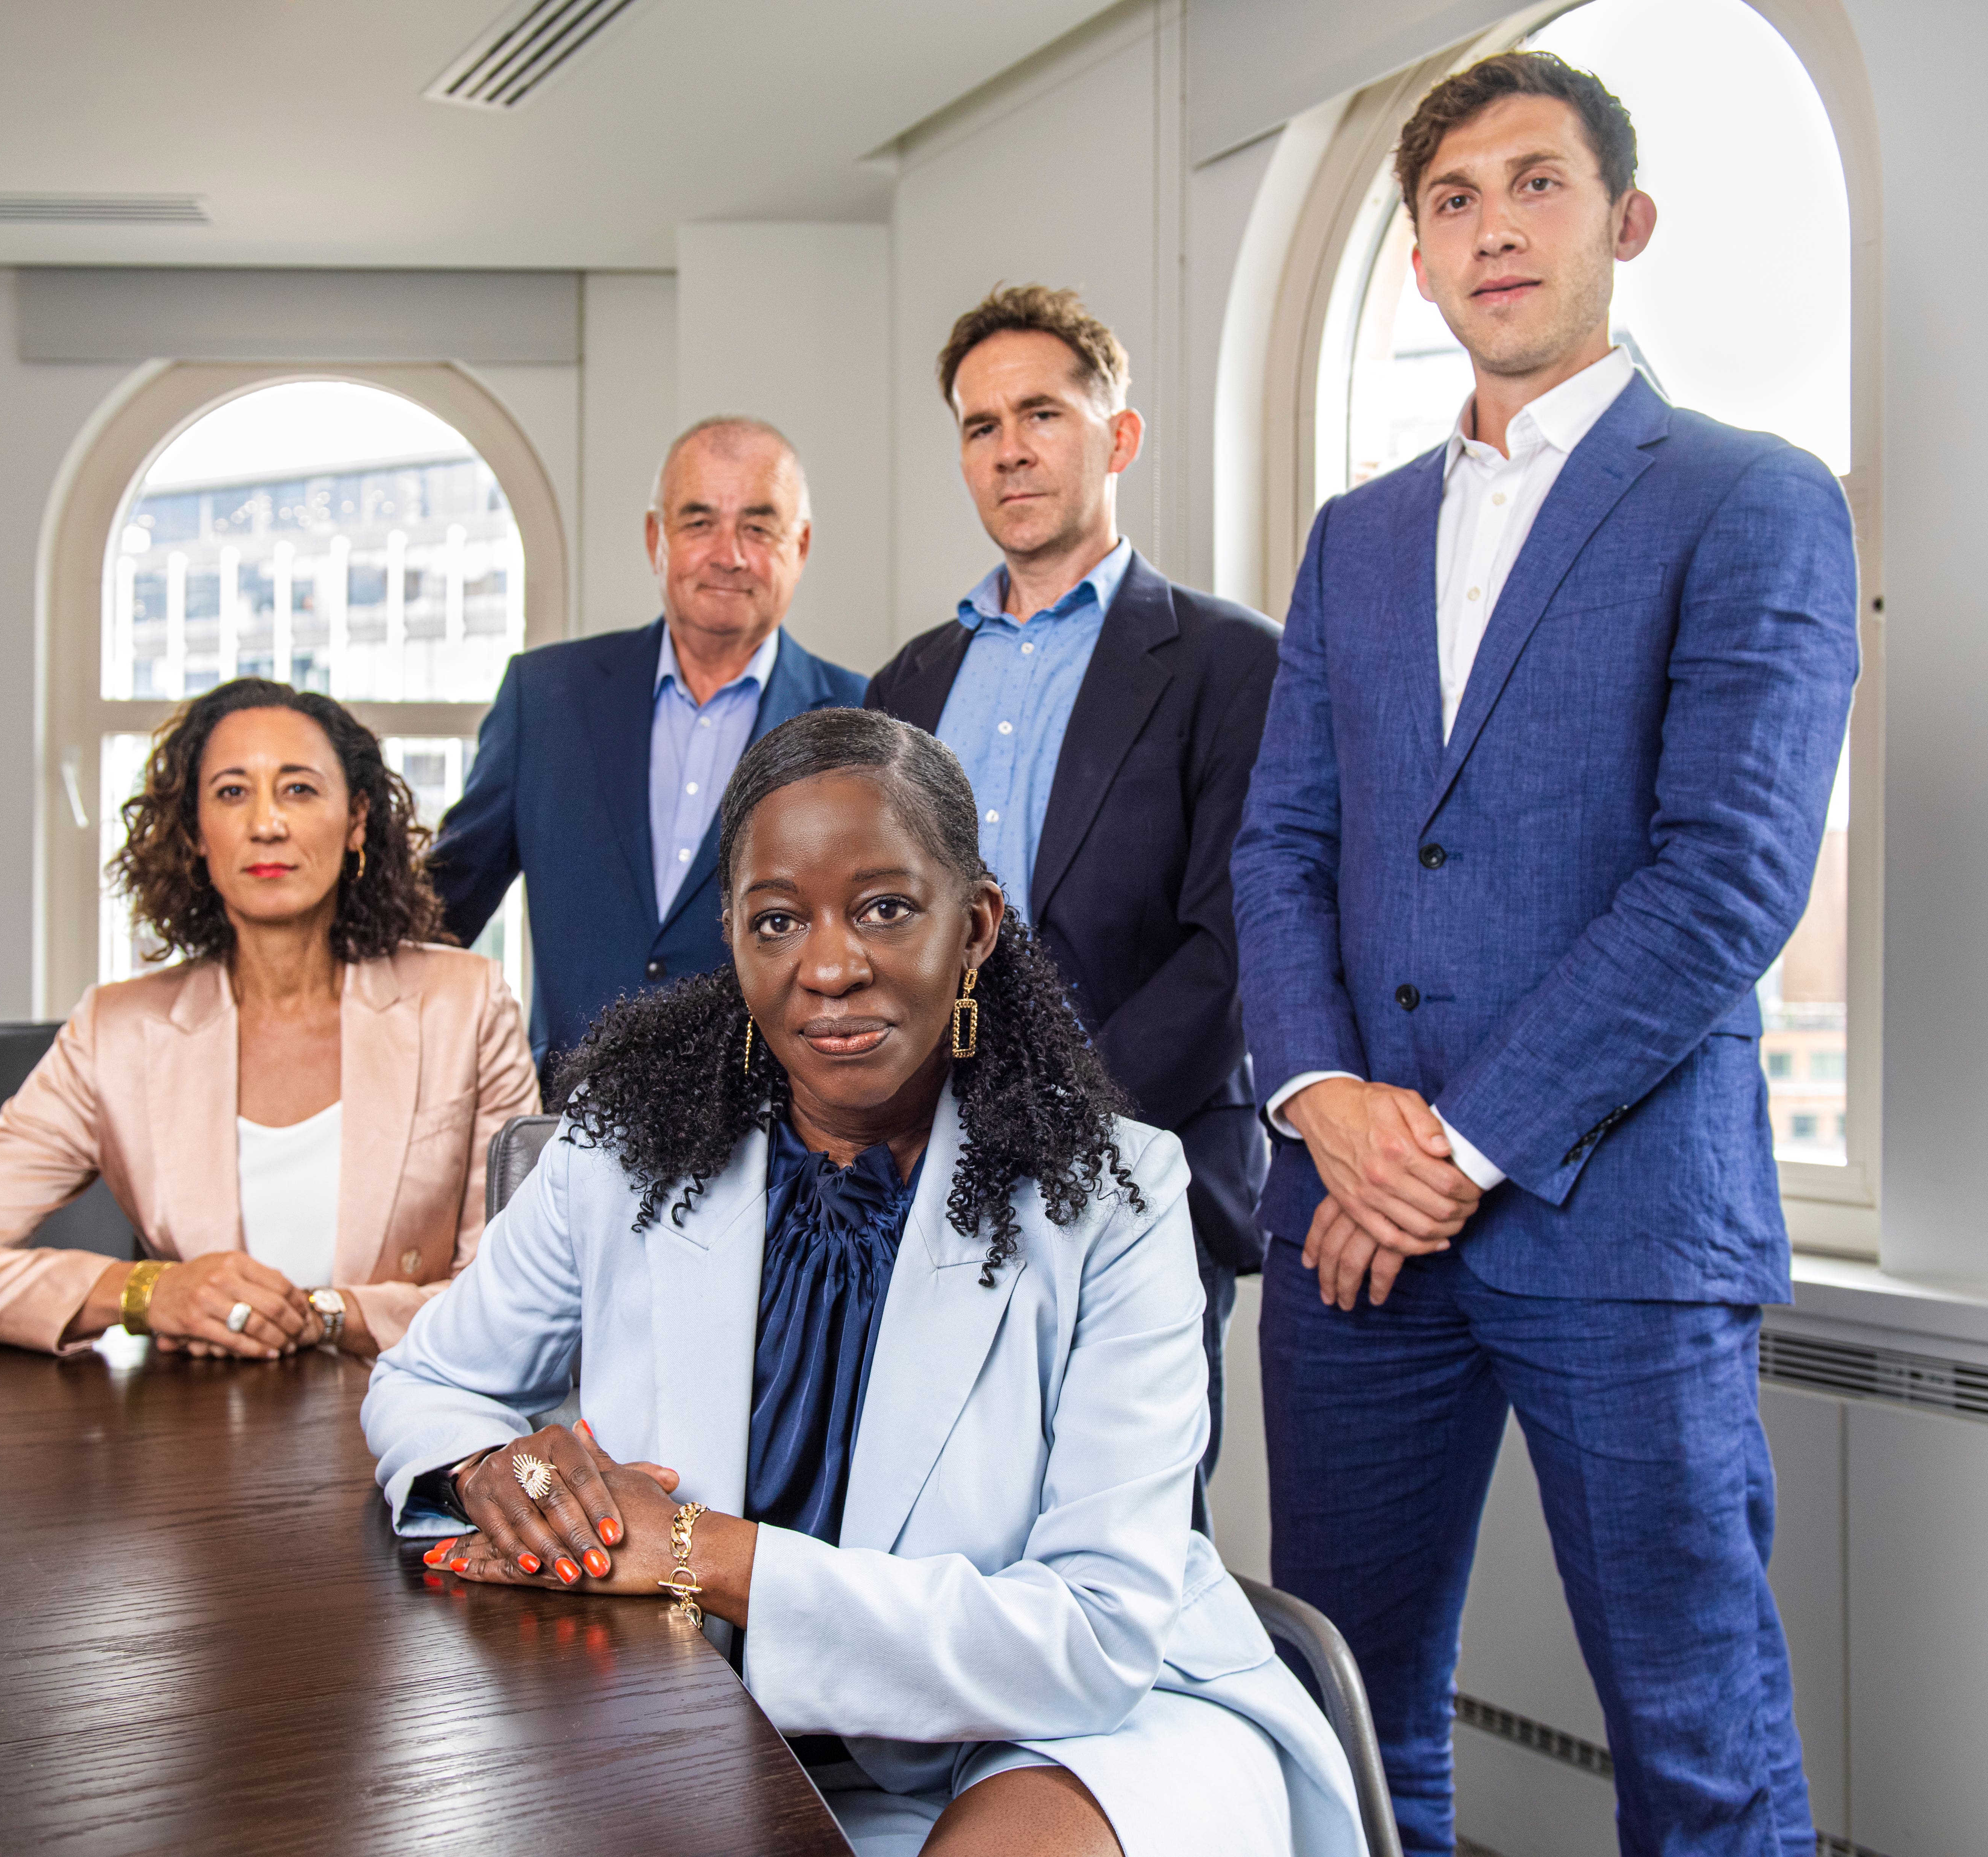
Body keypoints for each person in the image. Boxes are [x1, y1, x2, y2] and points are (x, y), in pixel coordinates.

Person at [364, 709, 1364, 1857]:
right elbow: (428, 1381)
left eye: (885, 908)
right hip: (697, 1721)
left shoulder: (1118, 1200)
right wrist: (500, 1467)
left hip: (1065, 1726)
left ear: (977, 925)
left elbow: (1087, 1638)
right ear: (733, 940)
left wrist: (698, 1550)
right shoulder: (616, 1151)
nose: (829, 965)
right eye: (778, 920)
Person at [1232, 52, 1857, 1857]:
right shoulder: (1354, 540)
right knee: (1343, 1717)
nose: (1488, 224)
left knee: (1695, 1731)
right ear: (1419, 263)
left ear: (1623, 222)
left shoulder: (1746, 498)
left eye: (1534, 184)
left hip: (1623, 1224)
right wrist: (1323, 1098)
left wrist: (1443, 1146)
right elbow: (1279, 844)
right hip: (1345, 1234)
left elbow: (1724, 879)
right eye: (1447, 200)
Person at [869, 286, 1278, 1485]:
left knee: (1132, 1560)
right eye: (980, 425)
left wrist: (1055, 1121)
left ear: (1120, 435)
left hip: (1137, 1175)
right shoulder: (909, 680)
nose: (1010, 449)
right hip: (924, 1186)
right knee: (933, 1535)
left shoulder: (1229, 662)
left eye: (1041, 413)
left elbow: (1237, 944)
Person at [0, 679, 537, 1360]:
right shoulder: (117, 1032)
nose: (266, 823)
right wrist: (146, 1292)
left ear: (357, 819)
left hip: (413, 1428)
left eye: (299, 789)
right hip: (195, 1436)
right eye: (231, 792)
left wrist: (328, 1316)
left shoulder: (467, 1002)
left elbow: (518, 1295)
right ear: (194, 833)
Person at [425, 415, 866, 1071]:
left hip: (779, 1136)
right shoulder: (544, 696)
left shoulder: (861, 718)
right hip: (571, 1120)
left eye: (758, 526)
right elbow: (444, 908)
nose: (729, 555)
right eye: (699, 523)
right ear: (656, 538)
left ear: (799, 546)